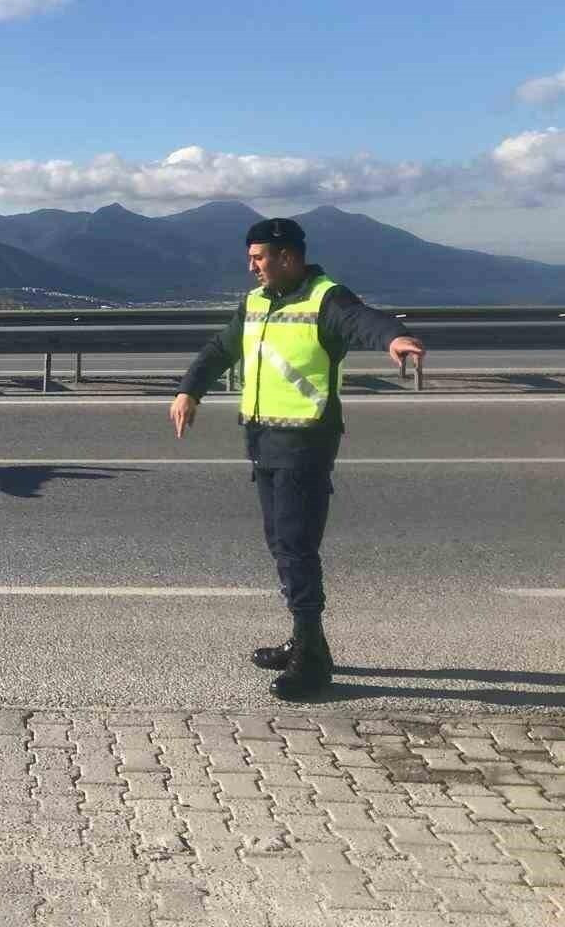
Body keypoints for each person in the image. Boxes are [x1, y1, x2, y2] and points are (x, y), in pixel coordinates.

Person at [169, 217, 425, 700]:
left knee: (296, 547)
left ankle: (312, 661)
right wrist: (190, 390)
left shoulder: (325, 297)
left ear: (288, 256)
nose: (252, 268)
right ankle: (306, 641)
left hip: (305, 441)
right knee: (281, 543)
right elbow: (221, 348)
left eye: (259, 258)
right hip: (263, 439)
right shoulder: (255, 303)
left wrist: (392, 337)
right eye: (250, 258)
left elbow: (360, 319)